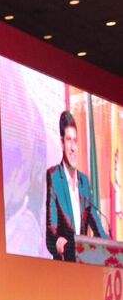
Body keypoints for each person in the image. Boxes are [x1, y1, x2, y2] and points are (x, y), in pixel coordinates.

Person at [46, 110, 108, 261]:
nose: (73, 148)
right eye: (69, 140)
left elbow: (97, 226)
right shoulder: (54, 177)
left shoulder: (84, 182)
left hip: (83, 267)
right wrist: (58, 242)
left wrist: (111, 246)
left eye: (75, 140)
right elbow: (51, 231)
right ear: (62, 143)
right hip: (64, 268)